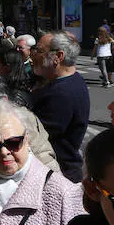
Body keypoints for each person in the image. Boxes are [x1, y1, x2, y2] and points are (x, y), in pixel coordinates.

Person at [30, 31, 90, 182]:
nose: (33, 55)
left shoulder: (61, 94)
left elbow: (36, 136)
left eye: (39, 50)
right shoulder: (68, 81)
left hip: (58, 174)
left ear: (58, 56)